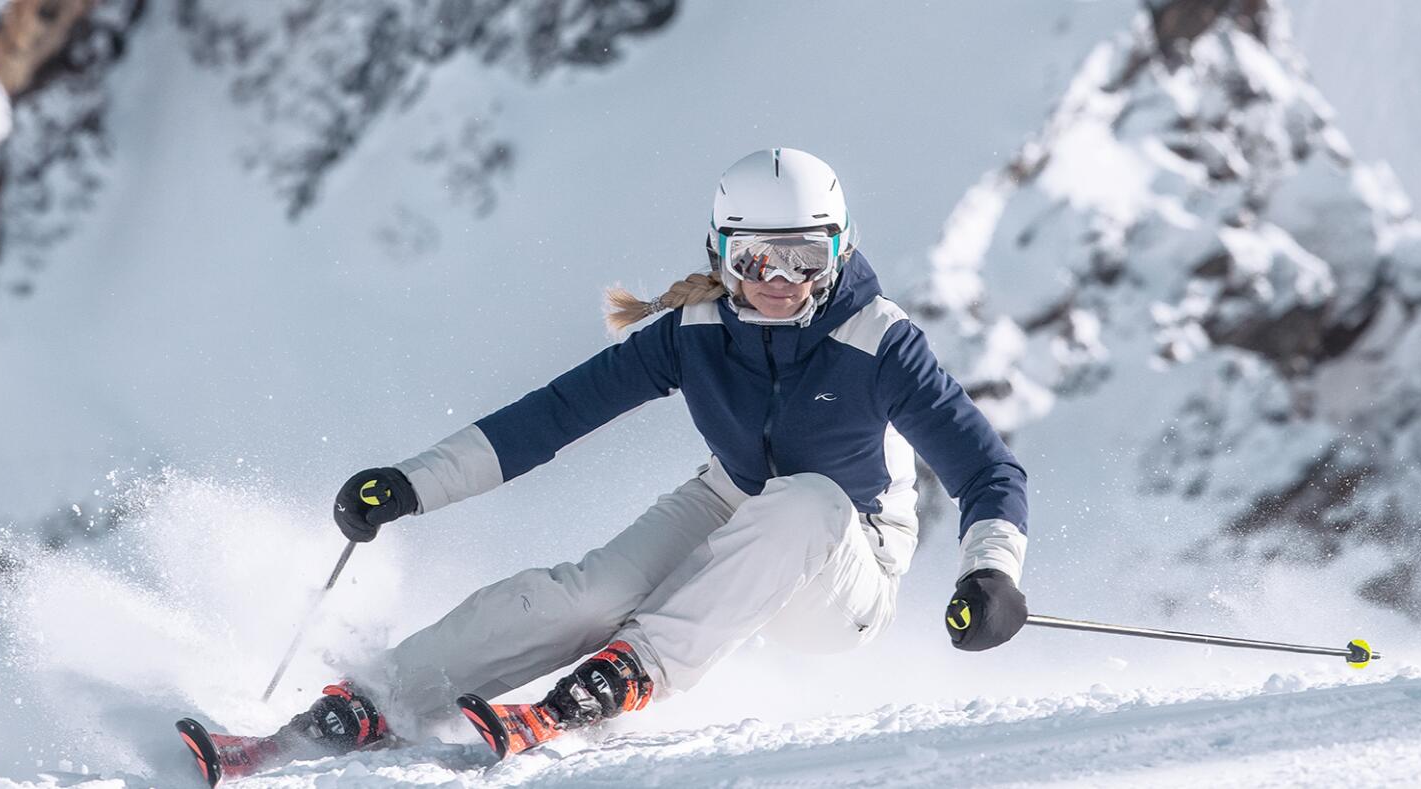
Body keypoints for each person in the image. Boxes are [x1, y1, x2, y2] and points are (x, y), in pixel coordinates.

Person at [294, 148, 1030, 754]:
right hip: (730, 497)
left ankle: (628, 673)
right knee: (590, 595)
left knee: (805, 501)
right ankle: (381, 696)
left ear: (840, 250)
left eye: (805, 257)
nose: (781, 282)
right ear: (720, 254)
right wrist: (412, 484)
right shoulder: (695, 329)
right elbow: (555, 414)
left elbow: (985, 469)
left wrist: (990, 574)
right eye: (756, 259)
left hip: (845, 562)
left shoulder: (879, 341)